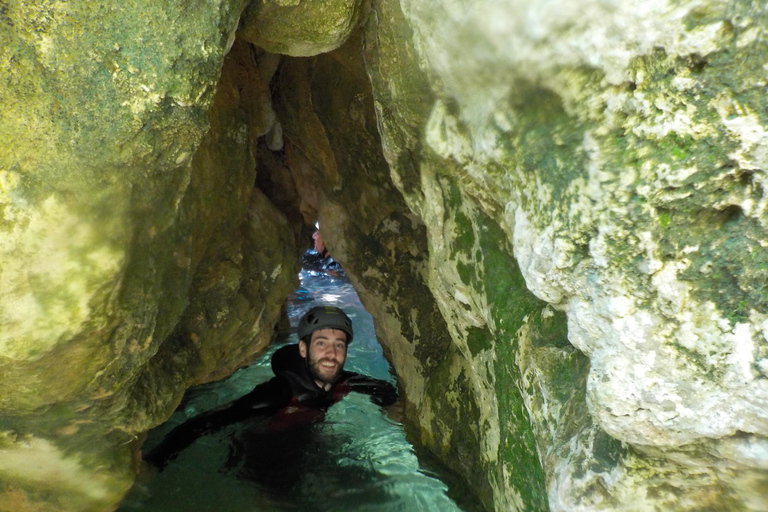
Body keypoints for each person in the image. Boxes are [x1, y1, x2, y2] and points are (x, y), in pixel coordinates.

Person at [143, 305, 398, 469]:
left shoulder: (342, 379)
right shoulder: (278, 393)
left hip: (306, 437)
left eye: (339, 345)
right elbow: (205, 422)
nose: (331, 354)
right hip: (264, 452)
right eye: (321, 343)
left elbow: (383, 389)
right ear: (303, 349)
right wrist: (155, 462)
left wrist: (391, 406)